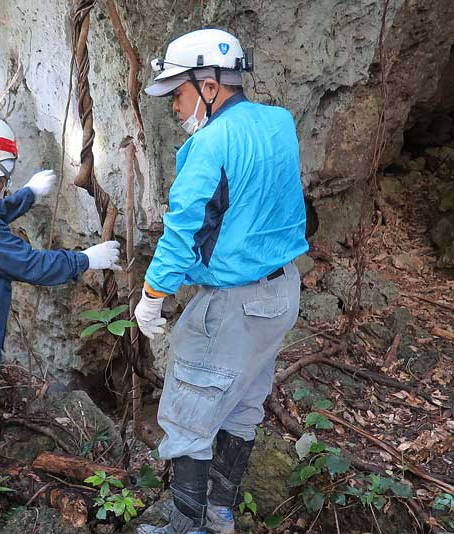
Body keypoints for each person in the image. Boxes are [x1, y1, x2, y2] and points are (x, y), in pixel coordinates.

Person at [133, 28, 308, 534]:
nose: (174, 106)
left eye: (179, 93)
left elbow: (182, 229)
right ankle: (220, 514)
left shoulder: (210, 145)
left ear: (209, 85)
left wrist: (153, 295)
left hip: (233, 304)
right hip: (281, 293)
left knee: (187, 414)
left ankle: (186, 528)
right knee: (243, 405)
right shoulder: (279, 122)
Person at [0, 114, 122, 516]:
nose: (8, 186)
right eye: (9, 179)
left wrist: (29, 195)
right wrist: (85, 259)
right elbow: (30, 265)